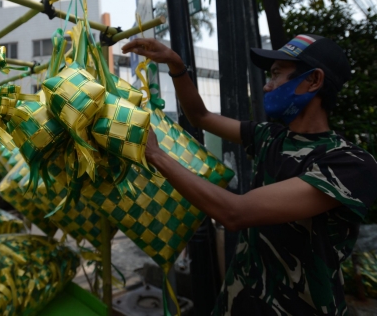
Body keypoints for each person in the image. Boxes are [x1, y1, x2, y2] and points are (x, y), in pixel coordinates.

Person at [122, 35, 377, 315]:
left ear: (314, 81)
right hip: (237, 302)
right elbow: (200, 117)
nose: (267, 85)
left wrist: (156, 155)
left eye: (277, 74)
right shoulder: (270, 136)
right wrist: (175, 65)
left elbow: (235, 213)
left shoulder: (349, 164)